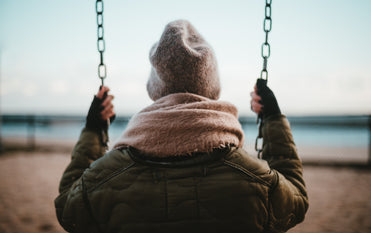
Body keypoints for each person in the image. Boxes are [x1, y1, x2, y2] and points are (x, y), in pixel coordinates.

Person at [55, 20, 308, 233]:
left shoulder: (106, 179)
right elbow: (296, 198)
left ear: (156, 89)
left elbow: (68, 207)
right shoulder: (255, 180)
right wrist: (273, 119)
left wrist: (93, 130)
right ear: (212, 87)